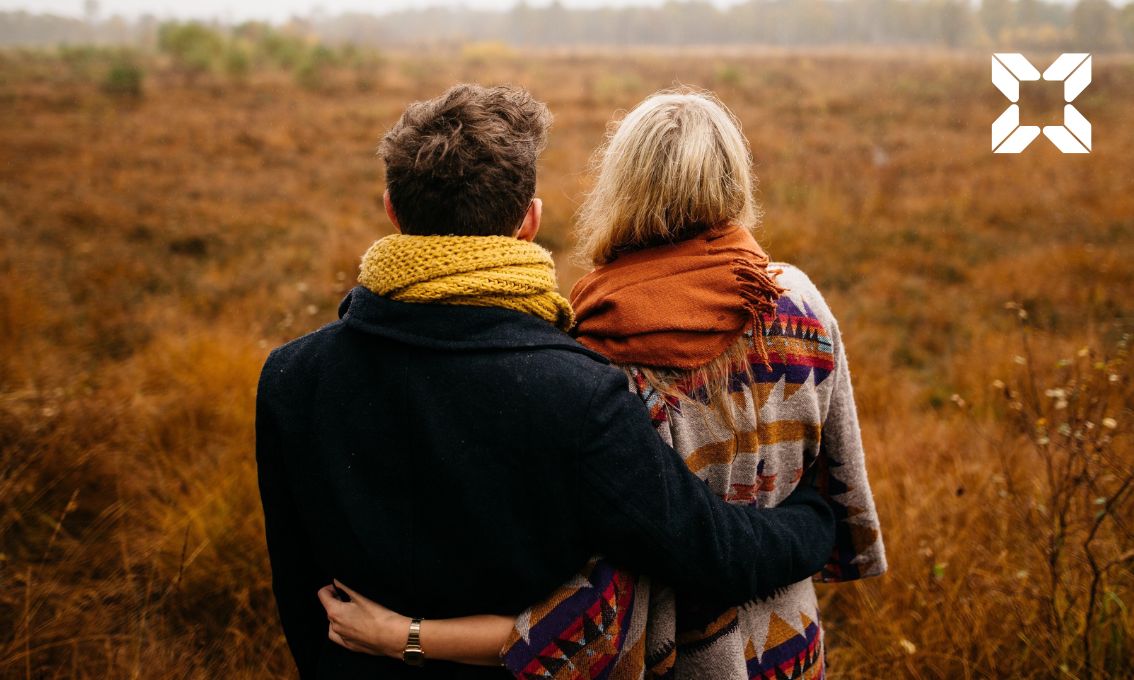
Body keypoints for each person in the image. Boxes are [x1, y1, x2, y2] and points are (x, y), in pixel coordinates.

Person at [255, 83, 839, 679]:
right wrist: (815, 521)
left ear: (391, 209)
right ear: (529, 221)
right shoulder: (578, 390)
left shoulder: (288, 378)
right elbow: (707, 551)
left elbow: (300, 595)